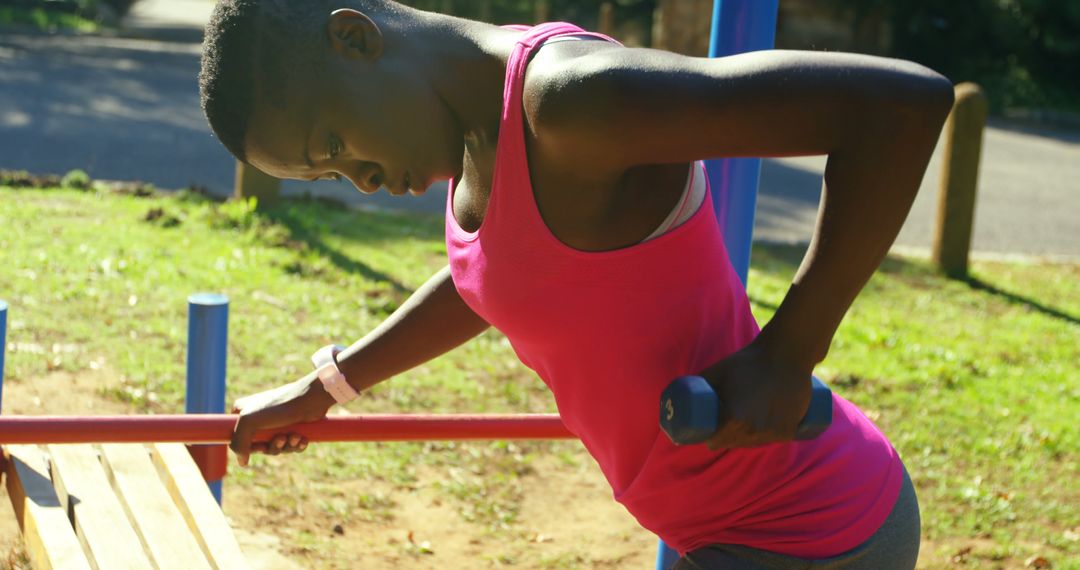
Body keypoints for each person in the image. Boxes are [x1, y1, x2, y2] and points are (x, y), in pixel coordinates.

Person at [198, 1, 953, 567]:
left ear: (355, 38)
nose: (357, 182)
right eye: (328, 173)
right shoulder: (475, 146)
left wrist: (790, 355)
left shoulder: (570, 103)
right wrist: (322, 389)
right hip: (717, 524)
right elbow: (482, 283)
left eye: (334, 144)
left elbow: (899, 108)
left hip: (805, 523)